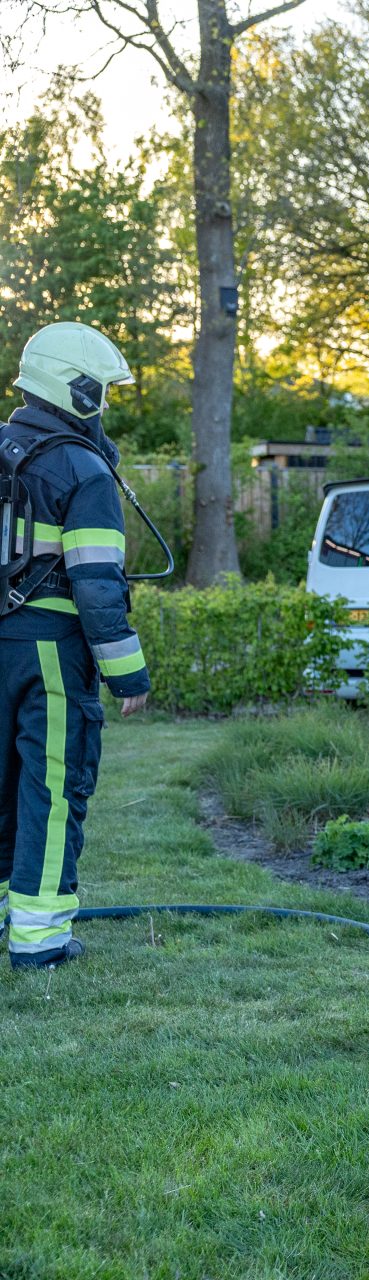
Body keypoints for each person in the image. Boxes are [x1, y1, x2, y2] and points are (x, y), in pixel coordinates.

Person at [1, 322, 151, 970]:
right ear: (79, 389)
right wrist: (130, 677)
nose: (106, 404)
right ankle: (41, 940)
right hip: (48, 652)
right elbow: (96, 587)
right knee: (53, 789)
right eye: (103, 392)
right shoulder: (83, 469)